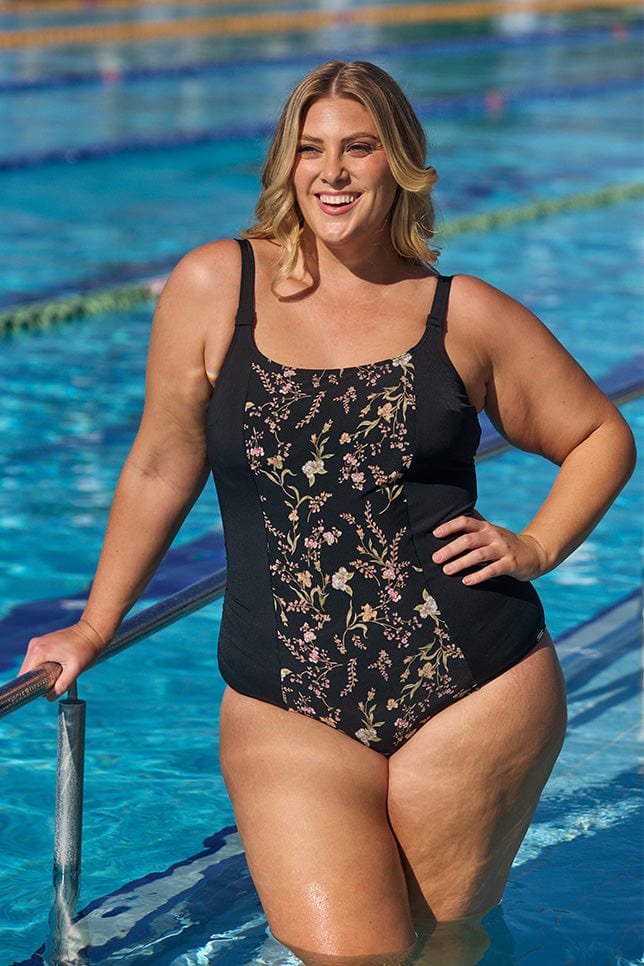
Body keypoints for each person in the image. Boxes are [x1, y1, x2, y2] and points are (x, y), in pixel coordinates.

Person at [19, 60, 635, 963]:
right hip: (286, 700)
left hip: (475, 689)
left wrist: (536, 544)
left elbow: (600, 437)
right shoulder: (215, 286)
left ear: (403, 167)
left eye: (359, 148)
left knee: (448, 942)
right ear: (286, 162)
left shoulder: (459, 313)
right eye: (310, 150)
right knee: (350, 954)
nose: (332, 172)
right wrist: (96, 624)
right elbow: (161, 461)